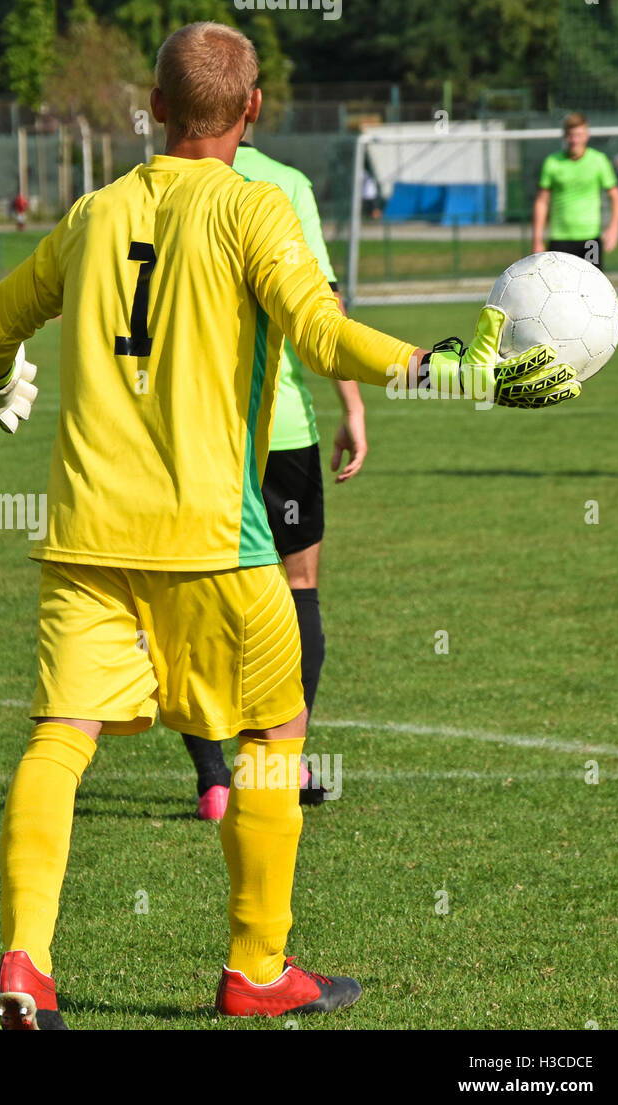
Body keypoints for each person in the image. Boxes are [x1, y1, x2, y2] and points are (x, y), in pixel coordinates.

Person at [0, 22, 578, 1029]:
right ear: (251, 114)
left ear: (153, 109)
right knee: (274, 731)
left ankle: (25, 963)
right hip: (215, 539)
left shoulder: (89, 213)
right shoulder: (253, 209)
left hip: (85, 536)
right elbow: (323, 331)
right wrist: (449, 370)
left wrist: (2, 380)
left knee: (59, 739)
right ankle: (255, 969)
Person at [182, 139, 365, 821]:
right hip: (281, 426)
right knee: (298, 588)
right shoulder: (286, 184)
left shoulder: (156, 187)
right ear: (251, 105)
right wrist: (352, 405)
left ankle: (212, 776)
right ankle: (282, 761)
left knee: (193, 599)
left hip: (193, 435)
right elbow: (322, 313)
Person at [532, 113, 618, 267]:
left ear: (586, 135)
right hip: (560, 238)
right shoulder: (552, 162)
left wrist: (614, 227)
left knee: (592, 286)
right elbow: (542, 202)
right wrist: (537, 239)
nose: (575, 140)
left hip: (590, 239)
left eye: (579, 135)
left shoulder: (598, 161)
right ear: (565, 136)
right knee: (559, 288)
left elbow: (616, 197)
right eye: (571, 136)